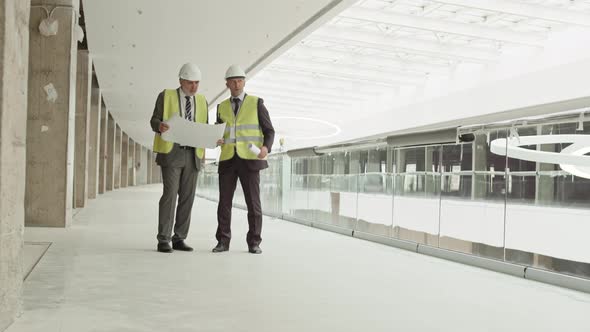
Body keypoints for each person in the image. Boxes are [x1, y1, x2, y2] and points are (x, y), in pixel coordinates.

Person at [213, 64, 275, 254]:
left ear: (244, 82)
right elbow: (219, 130)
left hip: (249, 159)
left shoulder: (256, 103)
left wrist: (266, 147)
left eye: (240, 80)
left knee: (253, 204)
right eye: (233, 81)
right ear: (227, 84)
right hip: (228, 159)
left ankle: (254, 242)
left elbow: (269, 130)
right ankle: (223, 241)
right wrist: (215, 138)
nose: (237, 84)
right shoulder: (221, 107)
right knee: (224, 203)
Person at [150, 63, 208, 253]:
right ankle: (163, 239)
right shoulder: (166, 96)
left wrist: (211, 141)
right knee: (169, 196)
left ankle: (179, 238)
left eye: (197, 83)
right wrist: (160, 126)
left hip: (193, 155)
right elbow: (154, 120)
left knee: (187, 198)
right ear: (181, 81)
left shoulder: (202, 101)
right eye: (190, 83)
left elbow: (204, 128)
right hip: (172, 153)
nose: (194, 87)